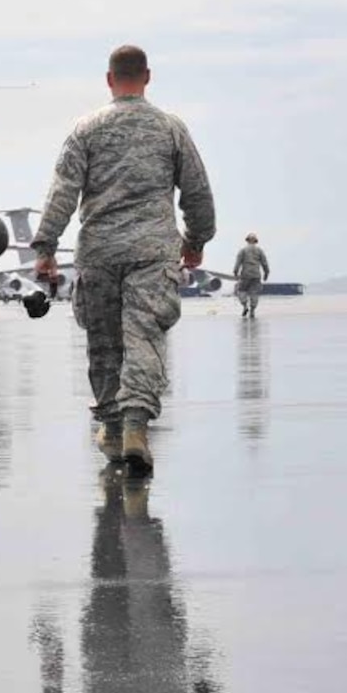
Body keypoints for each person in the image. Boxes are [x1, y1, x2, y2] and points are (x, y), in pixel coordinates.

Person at [33, 45, 215, 476]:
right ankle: (136, 426)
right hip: (153, 253)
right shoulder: (171, 129)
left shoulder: (86, 130)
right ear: (147, 77)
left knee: (105, 344)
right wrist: (196, 240)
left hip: (100, 252)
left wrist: (45, 250)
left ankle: (113, 431)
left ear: (110, 80)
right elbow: (197, 192)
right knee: (145, 338)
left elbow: (63, 191)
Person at [233, 233, 270, 318]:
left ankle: (245, 306)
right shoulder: (260, 251)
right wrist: (266, 273)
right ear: (255, 241)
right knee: (254, 293)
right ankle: (252, 310)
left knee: (241, 291)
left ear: (247, 240)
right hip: (256, 275)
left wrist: (235, 272)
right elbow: (264, 263)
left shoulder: (243, 250)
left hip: (245, 275)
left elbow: (238, 262)